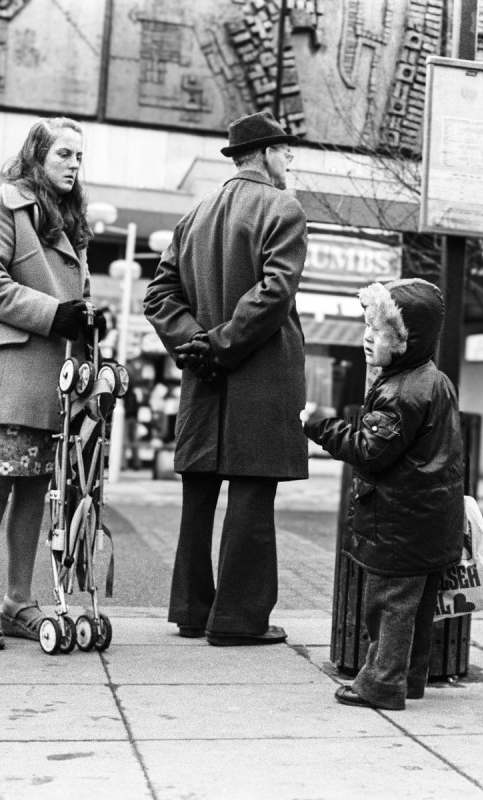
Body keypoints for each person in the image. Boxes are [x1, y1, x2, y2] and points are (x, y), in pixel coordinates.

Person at [144, 110, 309, 647]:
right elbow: (275, 291)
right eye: (285, 151)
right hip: (258, 375)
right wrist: (221, 344)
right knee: (252, 499)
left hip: (204, 382)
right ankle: (239, 619)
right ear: (263, 153)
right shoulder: (282, 208)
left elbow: (159, 297)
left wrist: (197, 344)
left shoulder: (193, 216)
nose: (290, 161)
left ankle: (192, 611)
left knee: (199, 498)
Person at [0, 117, 100, 650]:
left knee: (36, 490)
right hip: (3, 375)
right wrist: (55, 314)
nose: (74, 165)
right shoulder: (1, 205)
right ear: (36, 156)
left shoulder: (69, 221)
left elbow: (73, 301)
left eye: (79, 157)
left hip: (53, 384)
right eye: (63, 155)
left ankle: (17, 602)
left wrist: (85, 327)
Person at [304, 279, 464, 710]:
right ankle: (408, 678)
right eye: (368, 327)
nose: (369, 338)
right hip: (432, 518)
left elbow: (369, 451)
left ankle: (381, 683)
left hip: (400, 520)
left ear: (408, 340)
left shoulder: (399, 391)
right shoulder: (434, 380)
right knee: (416, 605)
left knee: (389, 603)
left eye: (382, 332)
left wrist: (319, 423)